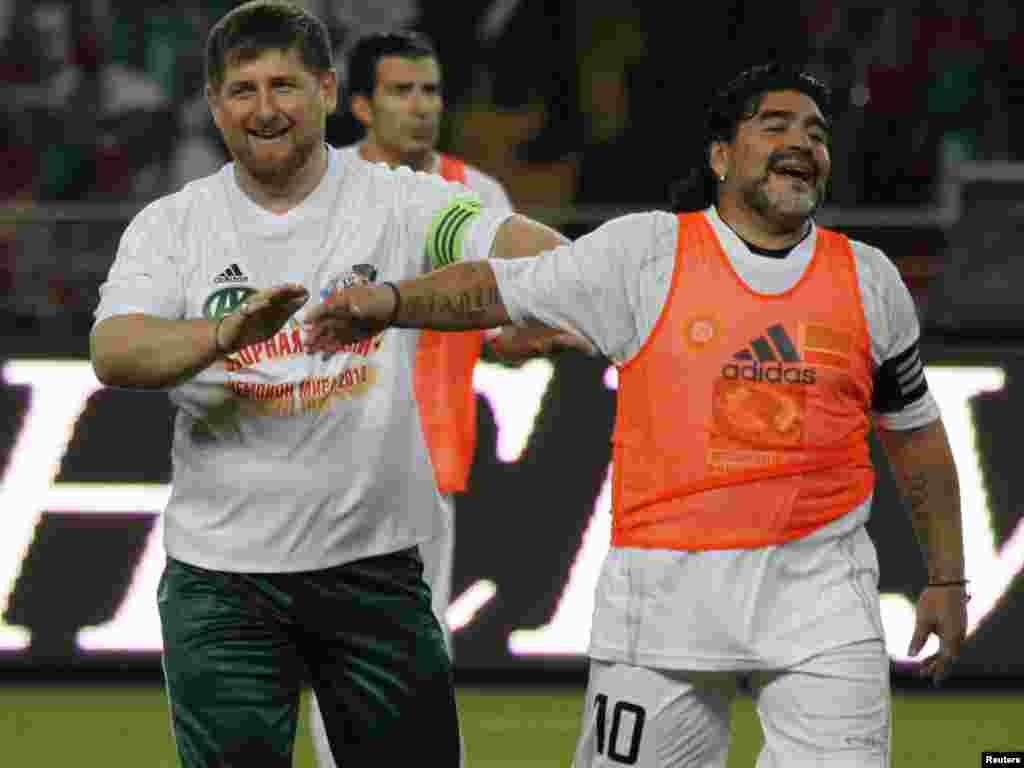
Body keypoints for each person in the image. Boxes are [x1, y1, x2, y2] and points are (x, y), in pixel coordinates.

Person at [305, 63, 969, 767]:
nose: (801, 142)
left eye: (816, 133)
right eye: (775, 126)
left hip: (822, 607)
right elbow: (497, 288)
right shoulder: (645, 255)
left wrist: (948, 577)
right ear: (720, 156)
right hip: (662, 606)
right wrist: (390, 302)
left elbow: (916, 434)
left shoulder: (870, 280)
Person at [89, 3, 569, 766]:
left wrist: (401, 300)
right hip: (221, 584)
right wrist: (221, 334)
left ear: (324, 89)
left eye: (284, 85)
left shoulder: (397, 201)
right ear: (214, 105)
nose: (265, 108)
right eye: (242, 90)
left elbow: (520, 252)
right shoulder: (171, 226)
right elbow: (114, 350)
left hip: (372, 570)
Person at [307, 28, 589, 767]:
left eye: (431, 90)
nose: (423, 106)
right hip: (328, 454)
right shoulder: (321, 189)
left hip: (430, 455)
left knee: (419, 643)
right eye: (402, 91)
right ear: (361, 106)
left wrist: (547, 332)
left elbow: (500, 323)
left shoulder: (477, 193)